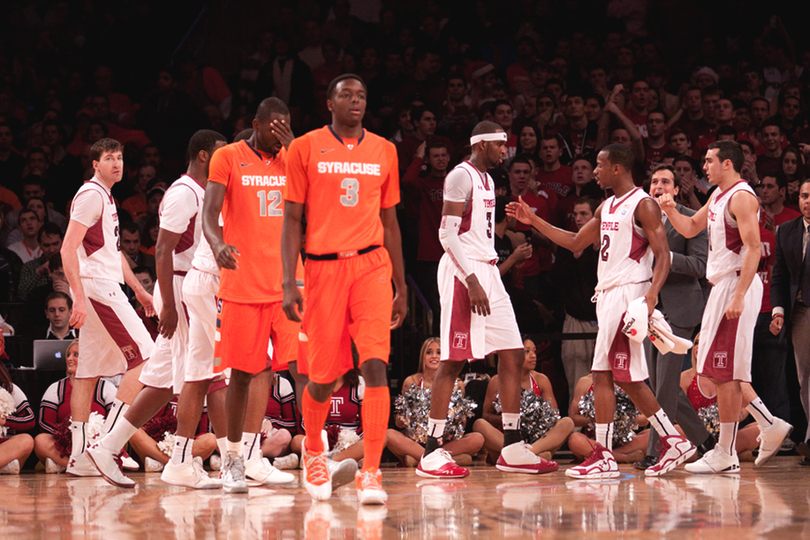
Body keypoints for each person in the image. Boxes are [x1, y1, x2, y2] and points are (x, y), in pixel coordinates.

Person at [509, 143, 696, 478]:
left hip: (629, 294)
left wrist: (652, 295)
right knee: (616, 375)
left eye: (599, 165)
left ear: (617, 169)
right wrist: (534, 219)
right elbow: (576, 243)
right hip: (608, 295)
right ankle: (661, 442)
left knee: (611, 374)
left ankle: (613, 453)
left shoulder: (644, 204)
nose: (594, 171)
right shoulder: (606, 206)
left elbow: (663, 255)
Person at [282, 73, 407, 504]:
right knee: (324, 379)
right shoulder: (305, 147)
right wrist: (288, 279)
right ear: (330, 104)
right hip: (321, 271)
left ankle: (370, 472)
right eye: (347, 95)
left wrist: (401, 284)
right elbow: (291, 220)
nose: (356, 101)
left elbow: (391, 223)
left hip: (372, 264)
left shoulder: (384, 150)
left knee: (375, 365)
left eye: (361, 96)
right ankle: (314, 449)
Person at [86, 130, 230, 490]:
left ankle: (108, 446)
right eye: (219, 154)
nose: (225, 160)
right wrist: (167, 303)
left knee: (163, 382)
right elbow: (162, 250)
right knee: (206, 376)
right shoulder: (183, 193)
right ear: (201, 156)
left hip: (188, 286)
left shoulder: (203, 191)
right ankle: (212, 461)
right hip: (181, 287)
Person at [418, 120, 557, 481]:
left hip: (489, 270)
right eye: (498, 146)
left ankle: (511, 445)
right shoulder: (459, 176)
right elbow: (446, 233)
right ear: (480, 144)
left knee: (512, 352)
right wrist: (472, 280)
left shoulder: (488, 180)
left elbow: (475, 230)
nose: (504, 151)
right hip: (465, 273)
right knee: (453, 361)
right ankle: (432, 451)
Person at [660, 140, 791, 474]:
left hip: (736, 284)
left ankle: (727, 450)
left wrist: (739, 295)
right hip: (721, 286)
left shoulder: (742, 197)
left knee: (726, 371)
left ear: (728, 164)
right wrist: (671, 208)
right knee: (717, 371)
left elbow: (752, 249)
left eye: (709, 161)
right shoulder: (717, 196)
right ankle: (765, 426)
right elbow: (690, 227)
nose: (704, 167)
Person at [200, 98, 299, 493]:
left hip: (289, 283)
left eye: (285, 128)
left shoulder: (293, 157)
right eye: (273, 128)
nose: (278, 135)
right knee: (242, 374)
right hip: (243, 284)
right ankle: (234, 459)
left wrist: (293, 150)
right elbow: (209, 212)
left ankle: (306, 455)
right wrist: (216, 243)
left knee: (296, 370)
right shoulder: (227, 157)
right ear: (255, 124)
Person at [59, 138, 155, 478]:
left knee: (87, 373)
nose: (117, 163)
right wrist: (80, 296)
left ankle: (79, 457)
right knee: (146, 357)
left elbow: (113, 254)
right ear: (95, 164)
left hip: (103, 284)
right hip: (96, 289)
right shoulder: (90, 196)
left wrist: (140, 291)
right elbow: (66, 250)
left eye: (120, 157)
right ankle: (107, 445)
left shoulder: (106, 196)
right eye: (109, 158)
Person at [633, 164, 714, 470]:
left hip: (679, 309)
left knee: (664, 385)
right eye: (654, 181)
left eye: (666, 181)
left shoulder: (690, 220)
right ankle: (704, 441)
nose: (659, 185)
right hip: (649, 310)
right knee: (659, 386)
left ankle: (657, 451)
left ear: (676, 189)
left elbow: (699, 266)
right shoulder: (640, 218)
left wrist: (664, 254)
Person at [473, 337, 574, 462]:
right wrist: (511, 419)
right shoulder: (497, 381)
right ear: (514, 355)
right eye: (527, 352)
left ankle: (528, 452)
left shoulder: (541, 380)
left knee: (567, 422)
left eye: (534, 351)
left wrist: (534, 417)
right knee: (479, 425)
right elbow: (486, 416)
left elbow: (554, 414)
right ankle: (525, 454)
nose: (533, 356)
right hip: (505, 439)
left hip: (537, 440)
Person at [386, 338, 484, 467]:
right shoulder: (411, 382)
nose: (434, 356)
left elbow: (463, 424)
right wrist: (407, 416)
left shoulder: (457, 384)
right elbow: (399, 423)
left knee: (477, 438)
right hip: (416, 443)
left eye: (439, 352)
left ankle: (419, 460)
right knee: (389, 435)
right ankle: (447, 459)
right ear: (423, 356)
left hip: (445, 442)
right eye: (429, 352)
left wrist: (457, 418)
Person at [771, 178, 810, 464]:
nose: (808, 201)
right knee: (805, 378)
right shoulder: (786, 231)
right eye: (805, 196)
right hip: (801, 312)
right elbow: (780, 278)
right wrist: (778, 311)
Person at [33, 340, 117, 473]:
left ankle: (63, 465)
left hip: (97, 443)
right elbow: (44, 423)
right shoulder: (57, 388)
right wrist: (67, 437)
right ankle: (87, 468)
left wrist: (94, 437)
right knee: (40, 441)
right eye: (69, 355)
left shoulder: (106, 388)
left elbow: (115, 421)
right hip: (64, 445)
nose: (69, 359)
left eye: (76, 354)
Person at [0, 344, 35, 474]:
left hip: (3, 445)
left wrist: (4, 420)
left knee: (26, 440)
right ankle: (4, 466)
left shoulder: (8, 388)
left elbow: (30, 420)